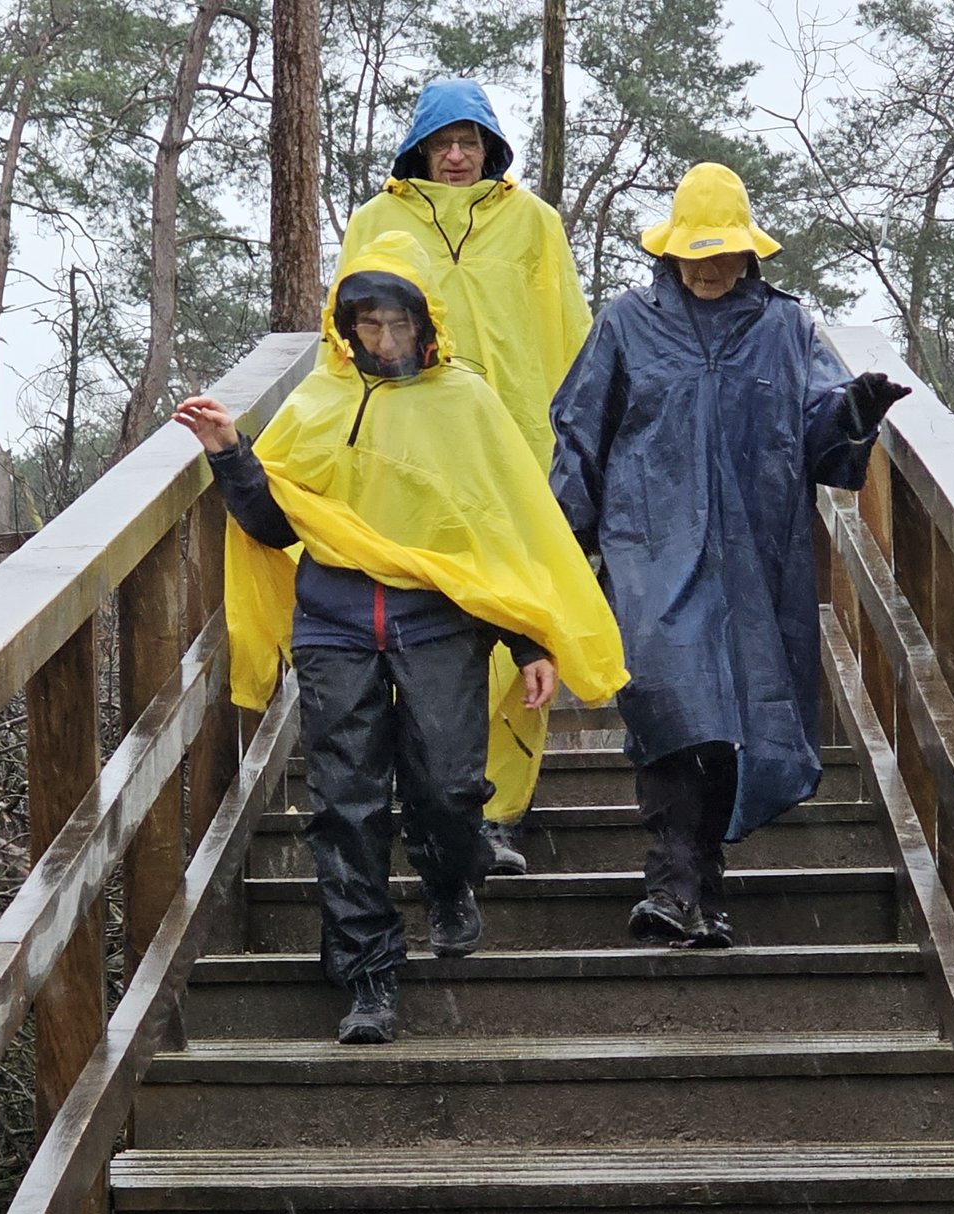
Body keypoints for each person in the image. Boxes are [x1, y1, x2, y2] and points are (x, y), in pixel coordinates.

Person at [176, 230, 625, 1042]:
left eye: (398, 324)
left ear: (428, 323)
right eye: (367, 325)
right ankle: (370, 978)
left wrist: (528, 643)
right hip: (334, 626)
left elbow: (499, 535)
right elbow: (275, 523)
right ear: (344, 325)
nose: (384, 342)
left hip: (439, 624)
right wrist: (231, 455)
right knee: (345, 806)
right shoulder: (318, 403)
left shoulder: (468, 404)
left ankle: (453, 882)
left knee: (450, 789)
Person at [550, 162, 910, 948]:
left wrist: (853, 411)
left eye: (724, 255)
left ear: (751, 254)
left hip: (755, 551)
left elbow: (818, 430)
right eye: (695, 254)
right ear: (670, 253)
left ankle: (699, 890)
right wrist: (561, 548)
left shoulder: (785, 328)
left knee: (729, 719)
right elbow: (581, 436)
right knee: (672, 705)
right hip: (651, 548)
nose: (710, 269)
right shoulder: (625, 324)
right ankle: (673, 883)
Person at [341, 78, 593, 874]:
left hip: (518, 457)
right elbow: (338, 337)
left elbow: (575, 341)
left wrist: (579, 454)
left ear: (490, 149)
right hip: (408, 464)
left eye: (471, 143)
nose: (456, 156)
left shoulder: (534, 225)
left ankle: (498, 814)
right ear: (419, 147)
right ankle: (428, 808)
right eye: (443, 142)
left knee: (519, 629)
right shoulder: (376, 223)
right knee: (421, 638)